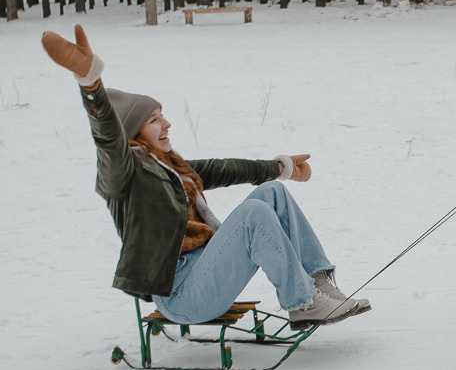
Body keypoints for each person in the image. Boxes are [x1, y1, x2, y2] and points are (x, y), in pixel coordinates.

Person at [42, 26, 370, 328]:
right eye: (155, 120)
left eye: (162, 115)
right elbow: (108, 140)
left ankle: (318, 284)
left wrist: (279, 168)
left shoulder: (171, 169)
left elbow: (220, 168)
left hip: (206, 271)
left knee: (271, 194)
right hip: (182, 294)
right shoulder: (124, 176)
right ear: (134, 136)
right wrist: (91, 85)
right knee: (253, 215)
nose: (167, 123)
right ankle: (303, 302)